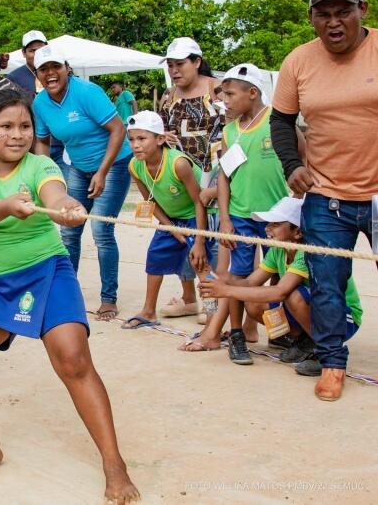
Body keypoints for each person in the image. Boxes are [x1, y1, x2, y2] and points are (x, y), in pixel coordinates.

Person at [0, 88, 139, 503]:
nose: (18, 135)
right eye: (6, 126)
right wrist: (5, 206)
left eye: (25, 126)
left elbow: (56, 195)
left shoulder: (41, 164)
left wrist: (67, 205)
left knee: (73, 358)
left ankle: (113, 463)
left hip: (47, 271)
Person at [270, 0, 377, 401]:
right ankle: (333, 361)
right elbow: (281, 120)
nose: (334, 22)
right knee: (327, 284)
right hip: (326, 195)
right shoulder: (298, 60)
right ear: (312, 19)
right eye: (324, 14)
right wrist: (292, 164)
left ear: (361, 10)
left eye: (343, 12)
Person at [199, 197, 362, 377]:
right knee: (253, 302)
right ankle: (304, 341)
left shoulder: (307, 252)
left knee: (293, 295)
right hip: (315, 310)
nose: (267, 229)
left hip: (343, 317)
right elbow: (249, 283)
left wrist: (226, 289)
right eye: (268, 224)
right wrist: (219, 281)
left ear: (298, 232)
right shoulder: (278, 249)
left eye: (275, 224)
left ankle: (323, 351)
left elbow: (279, 292)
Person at [32, 46, 132, 321]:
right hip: (77, 166)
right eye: (44, 69)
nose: (51, 73)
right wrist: (42, 174)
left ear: (66, 67)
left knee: (101, 229)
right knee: (69, 227)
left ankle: (108, 298)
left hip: (113, 164)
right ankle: (67, 292)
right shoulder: (40, 103)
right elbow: (42, 140)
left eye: (55, 67)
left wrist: (102, 172)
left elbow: (118, 129)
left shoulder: (88, 92)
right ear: (37, 74)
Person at [216, 63, 289, 364]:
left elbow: (303, 158)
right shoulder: (229, 131)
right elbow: (223, 176)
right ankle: (237, 334)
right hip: (241, 215)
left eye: (231, 94)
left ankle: (280, 332)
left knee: (276, 275)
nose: (226, 101)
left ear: (253, 92)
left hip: (277, 216)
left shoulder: (279, 121)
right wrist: (225, 218)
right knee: (239, 275)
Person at [122, 111, 209, 329]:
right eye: (131, 139)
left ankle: (210, 307)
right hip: (169, 218)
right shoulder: (135, 166)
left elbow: (199, 201)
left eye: (142, 139)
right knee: (155, 257)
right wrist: (171, 228)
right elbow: (149, 201)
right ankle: (149, 311)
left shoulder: (178, 164)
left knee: (200, 260)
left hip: (196, 217)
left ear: (160, 139)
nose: (135, 145)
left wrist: (198, 239)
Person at [158, 37, 223, 323]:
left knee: (215, 237)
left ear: (197, 62)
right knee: (186, 233)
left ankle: (215, 299)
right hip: (181, 175)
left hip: (215, 173)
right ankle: (188, 298)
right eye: (170, 65)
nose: (174, 70)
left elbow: (234, 126)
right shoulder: (168, 96)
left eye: (180, 64)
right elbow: (159, 131)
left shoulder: (217, 89)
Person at [6, 30, 67, 171]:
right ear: (24, 53)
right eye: (32, 50)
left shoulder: (60, 70)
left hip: (62, 141)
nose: (36, 53)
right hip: (32, 143)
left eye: (41, 49)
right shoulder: (14, 77)